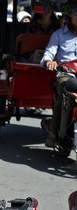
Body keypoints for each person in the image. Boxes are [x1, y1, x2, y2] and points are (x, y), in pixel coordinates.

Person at [40, 1, 77, 148]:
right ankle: (54, 133)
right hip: (65, 75)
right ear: (69, 15)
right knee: (65, 91)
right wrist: (49, 61)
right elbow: (48, 53)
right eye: (76, 13)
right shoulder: (58, 35)